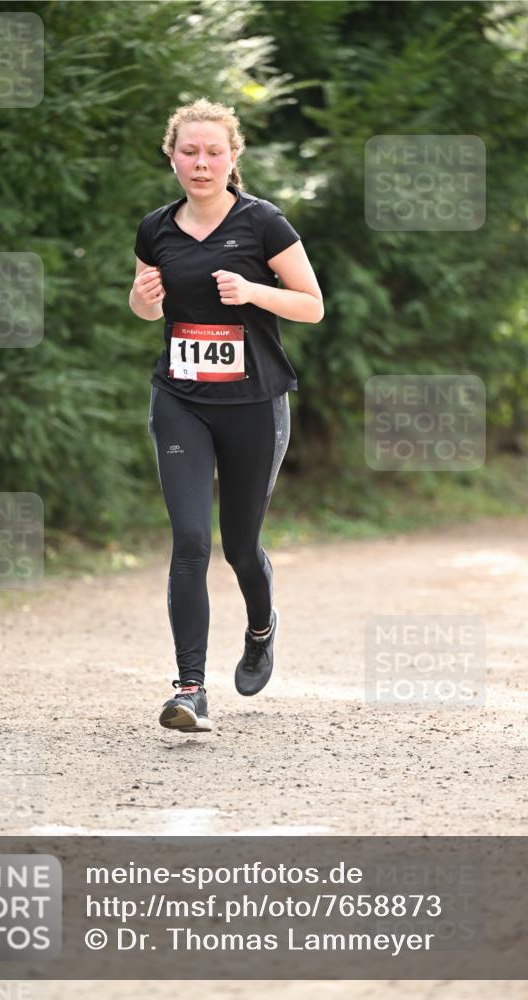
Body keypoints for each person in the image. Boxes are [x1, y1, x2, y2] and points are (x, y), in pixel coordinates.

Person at [129, 98, 323, 734]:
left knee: (239, 546)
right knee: (189, 542)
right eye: (190, 151)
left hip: (253, 406)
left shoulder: (263, 223)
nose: (202, 162)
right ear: (172, 156)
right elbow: (148, 310)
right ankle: (190, 690)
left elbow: (311, 305)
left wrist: (252, 291)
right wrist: (141, 298)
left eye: (214, 151)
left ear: (232, 158)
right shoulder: (155, 228)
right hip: (181, 400)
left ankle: (261, 629)